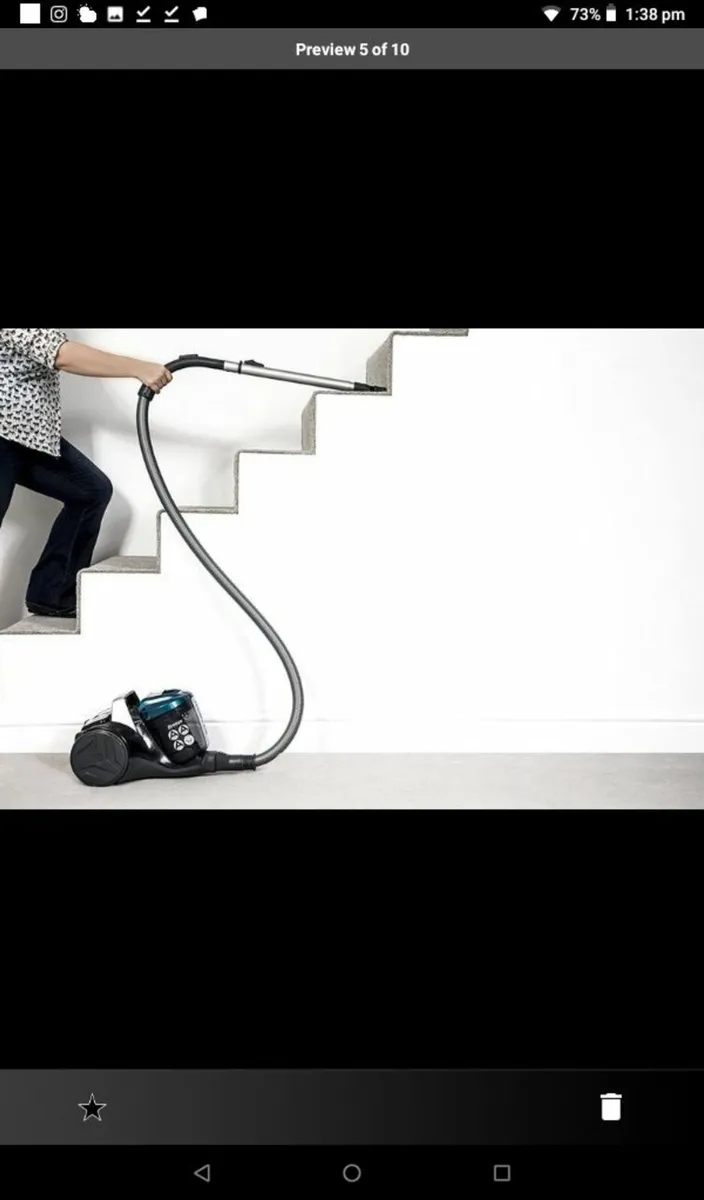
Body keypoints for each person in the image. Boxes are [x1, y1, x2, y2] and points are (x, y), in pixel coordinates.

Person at [0, 329, 173, 619]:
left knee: (90, 491)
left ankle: (52, 594)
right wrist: (138, 368)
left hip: (28, 434)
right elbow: (60, 354)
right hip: (4, 430)